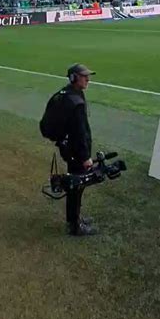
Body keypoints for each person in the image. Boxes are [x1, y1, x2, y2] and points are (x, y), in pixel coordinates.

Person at [45, 63, 97, 237]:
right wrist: (85, 157)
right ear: (74, 78)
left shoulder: (66, 94)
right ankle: (75, 226)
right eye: (84, 76)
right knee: (77, 186)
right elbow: (79, 133)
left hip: (67, 148)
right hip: (75, 151)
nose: (88, 79)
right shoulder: (76, 101)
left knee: (75, 185)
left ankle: (74, 218)